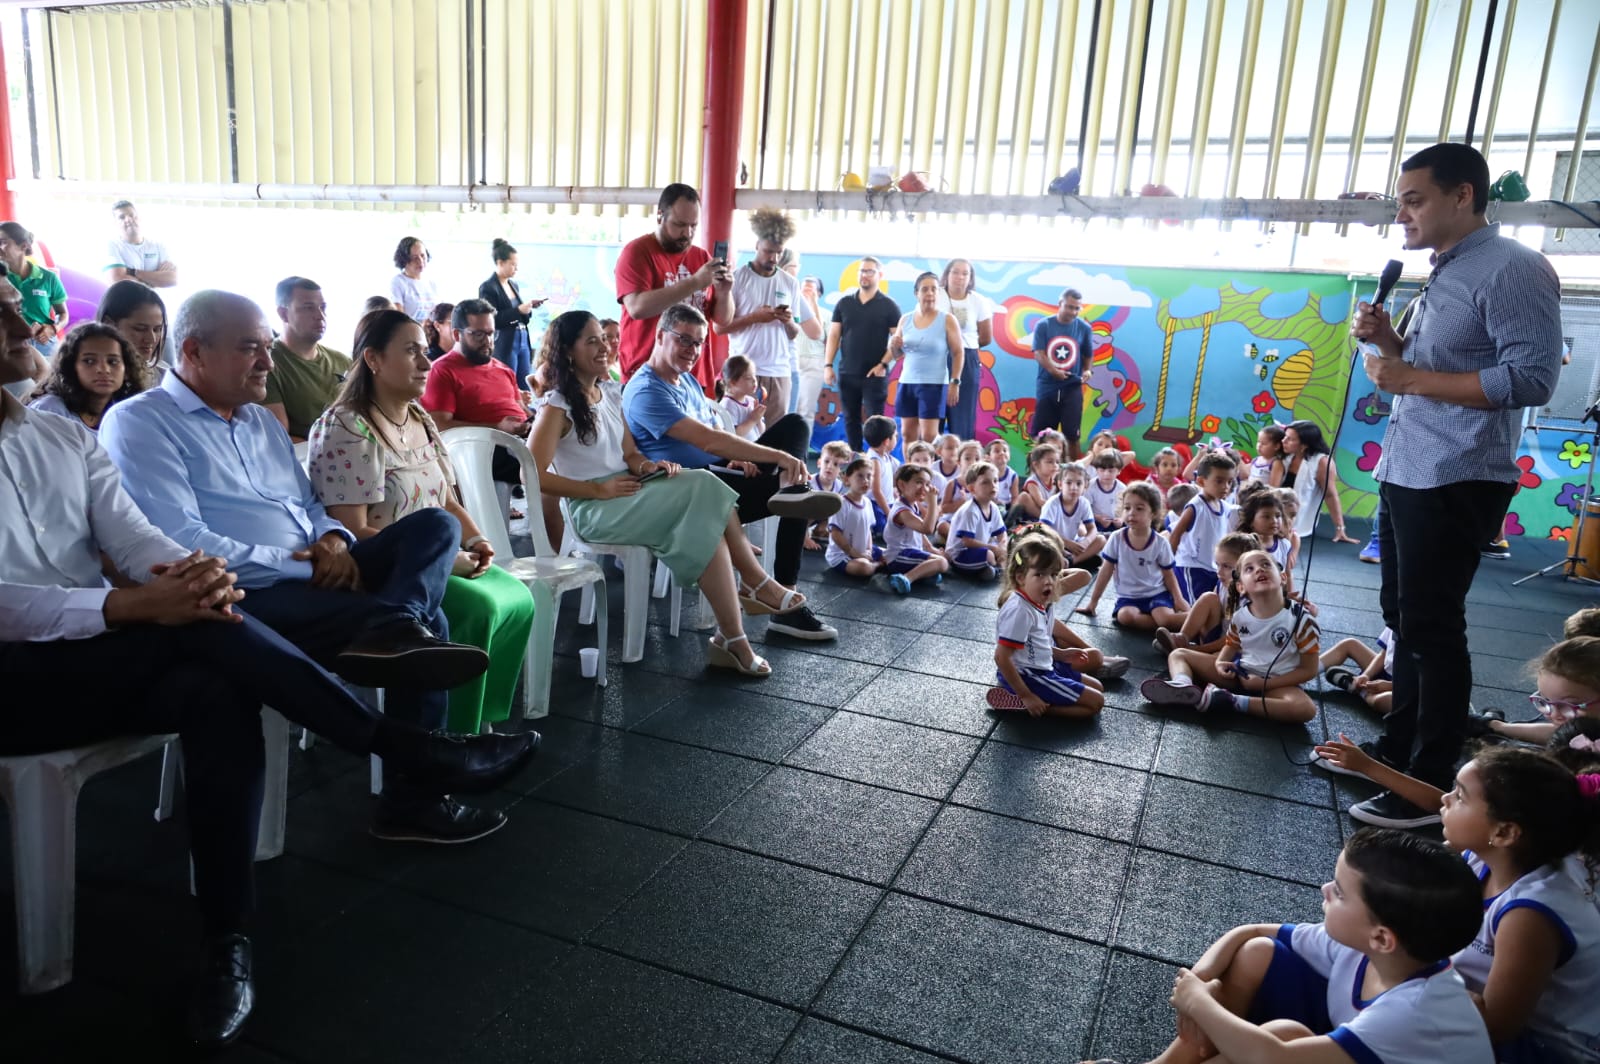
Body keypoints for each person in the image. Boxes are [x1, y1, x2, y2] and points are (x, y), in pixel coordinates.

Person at [0, 277, 534, 1049]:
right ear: (195, 353)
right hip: (21, 679)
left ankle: (226, 941)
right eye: (2, 312)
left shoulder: (60, 437)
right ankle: (403, 745)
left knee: (216, 679)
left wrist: (192, 581)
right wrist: (133, 605)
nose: (23, 321)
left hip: (115, 650)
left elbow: (138, 539)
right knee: (213, 628)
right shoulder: (132, 423)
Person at [100, 290, 524, 847]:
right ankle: (412, 796)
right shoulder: (141, 422)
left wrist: (332, 537)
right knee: (434, 625)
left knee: (436, 527)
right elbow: (182, 544)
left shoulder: (258, 421)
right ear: (195, 352)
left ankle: (394, 627)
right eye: (250, 348)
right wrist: (307, 564)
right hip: (242, 592)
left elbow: (307, 503)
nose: (267, 362)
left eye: (266, 347)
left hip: (318, 569)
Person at [1348, 142, 1565, 830]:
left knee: (1432, 628)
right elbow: (1428, 369)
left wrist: (1410, 375)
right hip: (1408, 465)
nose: (1402, 215)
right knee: (1404, 619)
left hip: (1457, 473)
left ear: (1463, 195)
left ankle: (1429, 780)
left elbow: (1532, 378)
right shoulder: (1444, 271)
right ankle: (1397, 752)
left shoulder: (1513, 268)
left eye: (1414, 200)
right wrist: (1391, 344)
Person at [309, 309, 536, 735]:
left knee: (519, 599)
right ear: (374, 359)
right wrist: (448, 561)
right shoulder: (349, 427)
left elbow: (446, 499)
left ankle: (479, 722)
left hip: (442, 555)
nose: (426, 363)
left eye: (424, 351)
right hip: (390, 573)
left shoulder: (419, 418)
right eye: (411, 352)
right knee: (480, 608)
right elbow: (353, 531)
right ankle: (451, 735)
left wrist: (477, 540)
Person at [532, 309, 791, 676]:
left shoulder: (610, 392)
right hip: (593, 509)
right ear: (568, 352)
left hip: (627, 491)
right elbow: (532, 474)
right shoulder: (557, 407)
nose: (604, 347)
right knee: (703, 489)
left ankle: (733, 637)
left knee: (705, 513)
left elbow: (630, 455)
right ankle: (752, 587)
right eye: (592, 341)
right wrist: (597, 489)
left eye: (604, 339)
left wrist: (647, 466)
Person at [1310, 743, 1600, 1061]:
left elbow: (1496, 1026)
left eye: (1459, 796)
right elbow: (1440, 804)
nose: (1446, 800)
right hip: (1462, 1001)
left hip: (1541, 1049)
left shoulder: (1530, 915)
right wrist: (1368, 767)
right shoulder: (1489, 854)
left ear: (1504, 832)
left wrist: (1416, 993)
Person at [1147, 828, 1491, 1064]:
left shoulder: (1412, 1013)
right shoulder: (1378, 950)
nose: (1325, 889)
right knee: (1257, 954)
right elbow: (1249, 932)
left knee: (1278, 1042)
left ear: (1382, 938)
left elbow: (1273, 1058)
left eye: (1339, 892)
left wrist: (1197, 1001)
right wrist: (1201, 977)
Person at [622, 303, 839, 642]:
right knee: (797, 491)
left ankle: (790, 496)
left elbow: (715, 438)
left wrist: (733, 458)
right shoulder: (646, 391)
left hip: (718, 474)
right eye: (683, 340)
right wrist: (776, 457)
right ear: (660, 336)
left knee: (795, 427)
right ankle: (786, 606)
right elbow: (707, 440)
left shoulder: (687, 381)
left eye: (698, 343)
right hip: (689, 494)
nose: (692, 350)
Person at [1143, 549, 1318, 721]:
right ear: (1241, 586)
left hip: (1279, 682)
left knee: (1305, 709)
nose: (1259, 569)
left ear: (1283, 577)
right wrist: (1220, 663)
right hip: (1239, 674)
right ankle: (1183, 686)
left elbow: (1308, 670)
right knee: (1178, 654)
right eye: (1249, 569)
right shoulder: (1241, 616)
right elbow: (1231, 644)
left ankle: (1232, 701)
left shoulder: (1301, 620)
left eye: (1266, 564)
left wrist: (1264, 683)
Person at [614, 183, 734, 385]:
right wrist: (695, 282)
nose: (687, 233)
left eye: (693, 226)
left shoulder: (701, 257)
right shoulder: (637, 252)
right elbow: (637, 307)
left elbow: (723, 320)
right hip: (647, 375)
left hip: (694, 377)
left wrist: (724, 292)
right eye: (679, 225)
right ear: (660, 216)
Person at [985, 530, 1102, 717]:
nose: (1049, 581)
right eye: (1039, 574)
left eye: (1054, 575)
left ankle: (1036, 697)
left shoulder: (1036, 601)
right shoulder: (1020, 611)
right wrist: (1026, 696)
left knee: (1098, 686)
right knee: (1096, 703)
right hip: (1029, 675)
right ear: (1020, 577)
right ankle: (1028, 704)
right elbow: (1001, 657)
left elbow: (1033, 645)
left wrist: (1061, 654)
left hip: (1043, 665)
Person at [723, 208, 818, 433]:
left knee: (776, 438)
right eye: (768, 251)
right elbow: (720, 327)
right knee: (741, 436)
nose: (773, 258)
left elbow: (794, 333)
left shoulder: (790, 283)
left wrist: (787, 321)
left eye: (778, 253)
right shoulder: (737, 279)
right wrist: (754, 317)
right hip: (744, 371)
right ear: (757, 245)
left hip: (779, 372)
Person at [420, 298, 530, 488]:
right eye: (478, 334)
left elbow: (522, 409)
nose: (487, 341)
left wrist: (535, 419)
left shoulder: (503, 369)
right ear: (457, 334)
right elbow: (439, 425)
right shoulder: (441, 370)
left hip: (518, 443)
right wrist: (497, 427)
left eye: (491, 334)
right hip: (481, 451)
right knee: (544, 466)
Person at [1077, 481, 1187, 631]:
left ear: (1153, 513)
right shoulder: (1117, 538)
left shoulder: (1160, 543)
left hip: (1156, 594)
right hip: (1129, 597)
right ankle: (1167, 627)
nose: (1131, 513)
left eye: (1139, 508)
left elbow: (1169, 575)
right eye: (1127, 508)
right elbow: (1105, 571)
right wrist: (1093, 602)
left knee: (1164, 618)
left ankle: (1191, 620)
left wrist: (1178, 599)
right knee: (1125, 617)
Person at [823, 257, 902, 453]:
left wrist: (883, 364)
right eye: (862, 271)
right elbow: (834, 335)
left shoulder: (889, 306)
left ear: (880, 275)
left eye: (869, 271)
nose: (864, 275)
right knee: (850, 419)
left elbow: (898, 341)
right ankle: (854, 459)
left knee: (876, 422)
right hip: (848, 372)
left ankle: (878, 460)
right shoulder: (844, 303)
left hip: (875, 375)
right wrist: (828, 365)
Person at [264, 277, 351, 442]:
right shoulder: (266, 364)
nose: (320, 315)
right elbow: (278, 439)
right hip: (304, 456)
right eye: (308, 308)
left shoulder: (343, 361)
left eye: (323, 307)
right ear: (283, 314)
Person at [886, 271, 963, 445]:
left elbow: (958, 352)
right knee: (907, 434)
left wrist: (955, 382)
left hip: (934, 384)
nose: (930, 293)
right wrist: (894, 346)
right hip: (907, 382)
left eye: (934, 289)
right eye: (925, 289)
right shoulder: (905, 319)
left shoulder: (947, 319)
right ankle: (909, 464)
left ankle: (931, 464)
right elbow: (898, 355)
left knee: (929, 436)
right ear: (916, 293)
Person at [1154, 531, 1258, 657]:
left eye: (1226, 566)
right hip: (1216, 636)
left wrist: (1199, 649)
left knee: (1220, 658)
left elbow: (1234, 640)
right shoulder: (1223, 584)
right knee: (1209, 597)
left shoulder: (1252, 600)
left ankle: (1186, 652)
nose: (1219, 572)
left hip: (1234, 647)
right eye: (1217, 565)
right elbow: (1211, 612)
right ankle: (1181, 639)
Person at [30, 321, 148, 432]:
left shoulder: (128, 415)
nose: (104, 369)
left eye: (113, 362)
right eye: (89, 361)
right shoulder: (50, 411)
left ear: (127, 370)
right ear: (71, 367)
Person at [1168, 451, 1236, 602]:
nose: (1225, 487)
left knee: (1210, 606)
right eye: (1219, 481)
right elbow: (1175, 535)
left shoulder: (1225, 507)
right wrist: (1168, 565)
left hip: (1213, 568)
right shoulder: (1195, 506)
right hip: (1191, 568)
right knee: (1194, 608)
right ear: (1201, 481)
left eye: (1229, 482)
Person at [937, 258, 992, 440]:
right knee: (933, 419)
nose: (959, 277)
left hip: (967, 361)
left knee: (962, 421)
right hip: (936, 359)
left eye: (965, 273)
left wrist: (958, 348)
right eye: (955, 272)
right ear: (947, 274)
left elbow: (985, 337)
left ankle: (962, 456)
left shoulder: (978, 301)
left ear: (970, 278)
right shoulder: (935, 295)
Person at [1271, 420, 1354, 543]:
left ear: (1304, 445)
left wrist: (1340, 528)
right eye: (1285, 437)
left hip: (1297, 520)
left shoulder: (1322, 462)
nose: (1283, 441)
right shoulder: (1285, 457)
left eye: (1290, 439)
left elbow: (1330, 495)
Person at [1030, 288, 1089, 459]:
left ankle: (1075, 471)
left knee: (1073, 435)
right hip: (1047, 387)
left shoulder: (1084, 328)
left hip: (1072, 387)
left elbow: (1088, 355)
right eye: (1069, 307)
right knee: (1042, 435)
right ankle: (1037, 470)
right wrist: (1053, 371)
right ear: (1060, 304)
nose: (1073, 312)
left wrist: (1087, 370)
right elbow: (1038, 353)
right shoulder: (1044, 325)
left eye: (1077, 308)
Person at [478, 237, 544, 387]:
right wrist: (518, 310)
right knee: (507, 383)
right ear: (500, 263)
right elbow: (491, 320)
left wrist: (528, 307)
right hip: (505, 341)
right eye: (513, 264)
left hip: (522, 337)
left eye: (517, 265)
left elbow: (521, 315)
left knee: (525, 383)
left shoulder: (513, 284)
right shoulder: (488, 287)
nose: (516, 269)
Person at [0, 221, 67, 358]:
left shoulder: (48, 277)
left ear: (23, 246)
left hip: (44, 344)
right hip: (10, 344)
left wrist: (53, 328)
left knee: (50, 371)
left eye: (3, 242)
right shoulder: (2, 278)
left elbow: (63, 313)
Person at [881, 464, 950, 593]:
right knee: (942, 563)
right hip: (898, 557)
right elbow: (927, 529)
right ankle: (906, 578)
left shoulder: (912, 505)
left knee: (939, 563)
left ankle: (921, 573)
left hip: (909, 554)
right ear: (902, 485)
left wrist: (930, 548)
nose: (924, 488)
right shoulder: (902, 511)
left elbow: (918, 529)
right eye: (919, 482)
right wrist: (933, 502)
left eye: (927, 484)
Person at [97, 278, 169, 384]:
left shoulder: (166, 378)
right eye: (140, 329)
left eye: (157, 329)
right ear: (109, 325)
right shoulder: (90, 378)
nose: (151, 339)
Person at [945, 460, 1008, 578]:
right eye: (985, 482)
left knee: (1010, 545)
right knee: (989, 555)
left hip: (980, 549)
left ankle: (991, 569)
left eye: (995, 481)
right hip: (960, 555)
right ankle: (996, 569)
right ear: (972, 489)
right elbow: (968, 542)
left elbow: (1001, 533)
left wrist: (1002, 545)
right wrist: (994, 549)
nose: (993, 485)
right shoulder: (970, 510)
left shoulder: (993, 507)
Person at [1319, 626, 1396, 717]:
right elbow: (1383, 655)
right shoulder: (1394, 621)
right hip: (1386, 671)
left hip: (1401, 690)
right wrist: (1366, 675)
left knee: (1386, 700)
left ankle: (1363, 691)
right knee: (1350, 644)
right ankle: (1308, 671)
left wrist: (1388, 686)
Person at [1040, 462, 1104, 570]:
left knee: (1100, 540)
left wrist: (1086, 542)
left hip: (1074, 545)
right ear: (1060, 485)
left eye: (1079, 484)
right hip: (1054, 542)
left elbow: (1092, 529)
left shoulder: (1084, 503)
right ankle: (1079, 559)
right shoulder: (1052, 503)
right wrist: (1067, 543)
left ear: (1085, 486)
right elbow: (1044, 530)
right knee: (1042, 547)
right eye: (1069, 483)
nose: (1074, 487)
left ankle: (1071, 562)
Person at [826, 457, 882, 579]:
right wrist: (854, 554)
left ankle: (875, 563)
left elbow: (868, 531)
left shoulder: (868, 502)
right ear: (847, 480)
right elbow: (835, 534)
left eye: (869, 476)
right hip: (842, 555)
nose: (865, 480)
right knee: (863, 567)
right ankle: (878, 565)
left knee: (890, 555)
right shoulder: (841, 503)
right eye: (860, 476)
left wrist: (868, 550)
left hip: (861, 551)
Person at [104, 199, 178, 287]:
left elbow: (173, 279)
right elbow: (118, 281)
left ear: (139, 218)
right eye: (122, 217)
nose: (128, 219)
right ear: (115, 223)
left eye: (132, 215)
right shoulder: (112, 245)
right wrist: (156, 278)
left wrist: (133, 272)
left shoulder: (158, 246)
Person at [792, 276, 828, 440]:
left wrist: (813, 303)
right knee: (790, 406)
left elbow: (824, 338)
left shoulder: (827, 314)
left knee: (806, 409)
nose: (806, 292)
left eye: (810, 289)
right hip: (793, 361)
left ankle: (802, 448)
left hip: (814, 363)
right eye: (803, 288)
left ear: (818, 293)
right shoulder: (793, 310)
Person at [863, 414, 900, 533]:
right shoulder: (875, 461)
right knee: (884, 527)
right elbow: (876, 491)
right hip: (875, 504)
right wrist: (888, 513)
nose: (897, 439)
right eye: (895, 436)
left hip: (888, 501)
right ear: (886, 441)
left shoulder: (886, 457)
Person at [389, 236, 437, 322]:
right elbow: (398, 317)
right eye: (414, 258)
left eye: (423, 255)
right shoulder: (398, 282)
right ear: (404, 260)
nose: (420, 261)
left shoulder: (432, 283)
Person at [718, 353, 765, 440]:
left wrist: (758, 419)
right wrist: (752, 420)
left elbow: (761, 432)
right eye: (748, 377)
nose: (754, 380)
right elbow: (731, 436)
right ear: (733, 382)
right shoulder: (728, 405)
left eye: (754, 375)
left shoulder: (751, 401)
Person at [1010, 442, 1059, 522]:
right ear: (1036, 465)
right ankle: (1047, 520)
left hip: (1048, 511)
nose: (1055, 465)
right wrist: (1057, 510)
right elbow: (1040, 502)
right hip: (1033, 515)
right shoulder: (1032, 482)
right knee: (1024, 497)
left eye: (1057, 462)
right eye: (1050, 462)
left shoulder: (1055, 480)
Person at [1087, 448, 1126, 532]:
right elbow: (1084, 509)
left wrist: (1121, 519)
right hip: (1096, 522)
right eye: (1102, 470)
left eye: (1111, 471)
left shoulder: (1122, 488)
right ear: (1097, 470)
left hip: (1115, 523)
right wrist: (1098, 518)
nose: (1106, 474)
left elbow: (1126, 508)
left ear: (1119, 471)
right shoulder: (1091, 486)